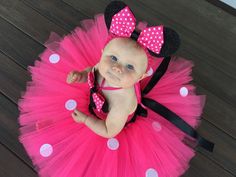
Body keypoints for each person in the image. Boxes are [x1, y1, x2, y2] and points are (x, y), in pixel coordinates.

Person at [18, 1, 214, 177]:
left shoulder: (121, 103)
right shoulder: (104, 67)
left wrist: (87, 119)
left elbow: (108, 131)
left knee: (87, 161)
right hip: (96, 104)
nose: (117, 68)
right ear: (103, 52)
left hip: (108, 123)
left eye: (130, 67)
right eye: (113, 58)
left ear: (142, 76)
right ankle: (51, 130)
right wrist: (82, 75)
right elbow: (94, 69)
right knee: (56, 106)